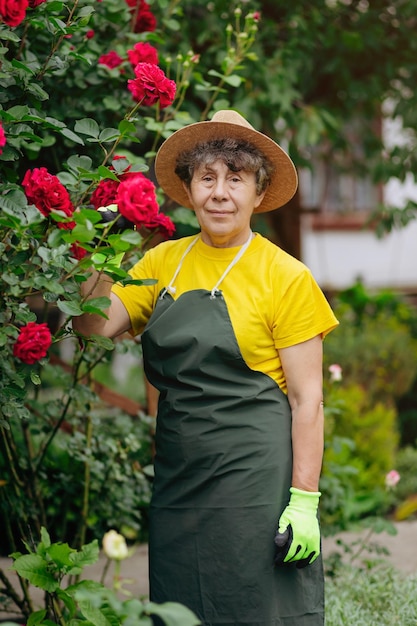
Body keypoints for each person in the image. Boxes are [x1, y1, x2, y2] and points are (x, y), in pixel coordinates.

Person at [74, 109, 339, 625]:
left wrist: (304, 500)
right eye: (207, 177)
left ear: (258, 194)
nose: (220, 193)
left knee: (258, 606)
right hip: (180, 472)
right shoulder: (160, 263)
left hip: (255, 477)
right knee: (180, 607)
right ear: (189, 187)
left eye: (235, 179)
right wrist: (103, 245)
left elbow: (308, 399)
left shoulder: (286, 277)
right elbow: (92, 329)